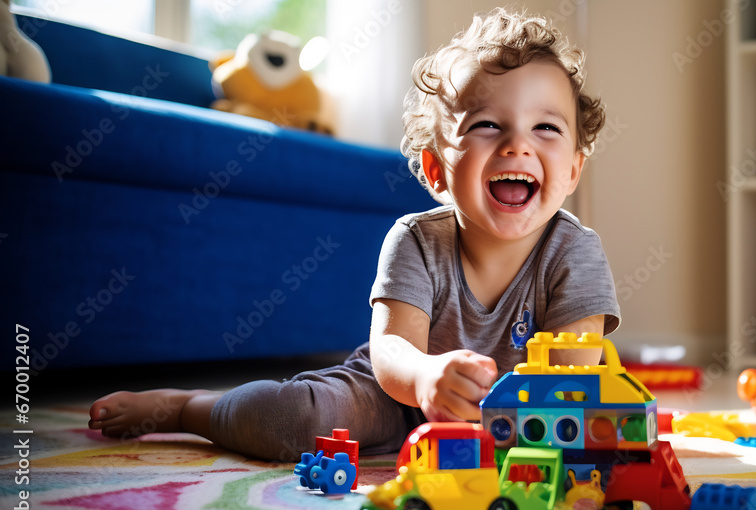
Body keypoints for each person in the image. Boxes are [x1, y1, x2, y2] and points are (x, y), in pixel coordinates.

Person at [88, 8, 621, 462]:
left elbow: (570, 371)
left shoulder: (575, 251)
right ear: (436, 170)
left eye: (545, 127)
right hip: (394, 393)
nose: (517, 146)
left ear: (573, 170)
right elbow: (391, 350)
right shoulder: (415, 239)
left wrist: (515, 420)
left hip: (515, 415)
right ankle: (188, 407)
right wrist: (428, 379)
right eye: (487, 125)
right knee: (288, 418)